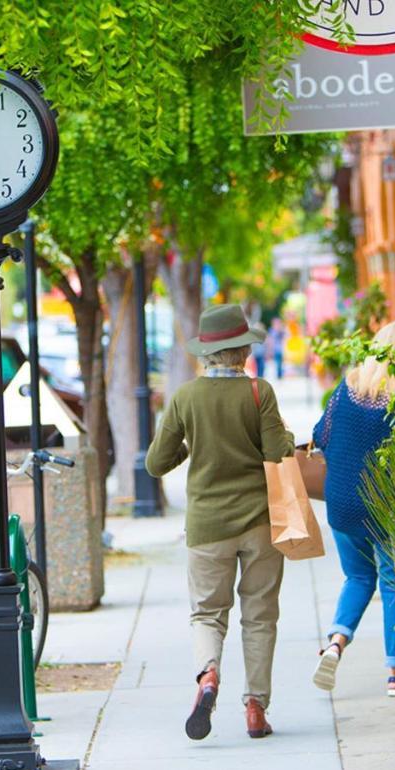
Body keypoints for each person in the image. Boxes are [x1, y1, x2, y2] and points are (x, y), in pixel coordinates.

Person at [146, 303, 294, 741]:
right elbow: (277, 453)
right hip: (260, 522)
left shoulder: (186, 397)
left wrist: (191, 448)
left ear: (206, 353)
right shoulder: (258, 392)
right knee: (260, 615)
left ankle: (208, 675)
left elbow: (156, 463)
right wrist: (283, 435)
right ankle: (255, 708)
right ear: (243, 351)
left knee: (208, 614)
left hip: (208, 526)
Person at [311, 319, 395, 697]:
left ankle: (336, 642)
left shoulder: (349, 387)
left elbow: (319, 434)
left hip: (340, 502)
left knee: (357, 578)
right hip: (382, 506)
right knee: (391, 582)